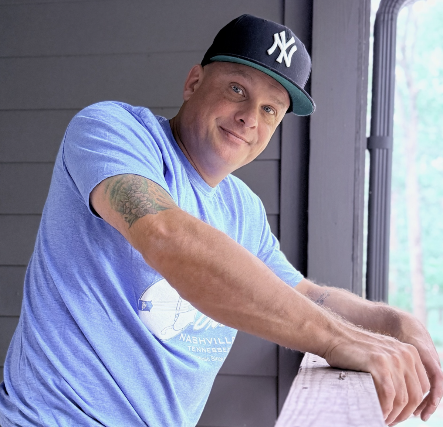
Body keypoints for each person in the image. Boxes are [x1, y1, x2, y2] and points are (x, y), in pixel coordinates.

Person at [0, 13, 441, 427]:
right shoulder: (114, 130)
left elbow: (305, 296)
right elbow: (166, 235)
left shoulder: (242, 209)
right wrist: (336, 340)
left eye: (270, 110)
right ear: (194, 82)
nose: (250, 117)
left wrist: (394, 323)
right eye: (237, 89)